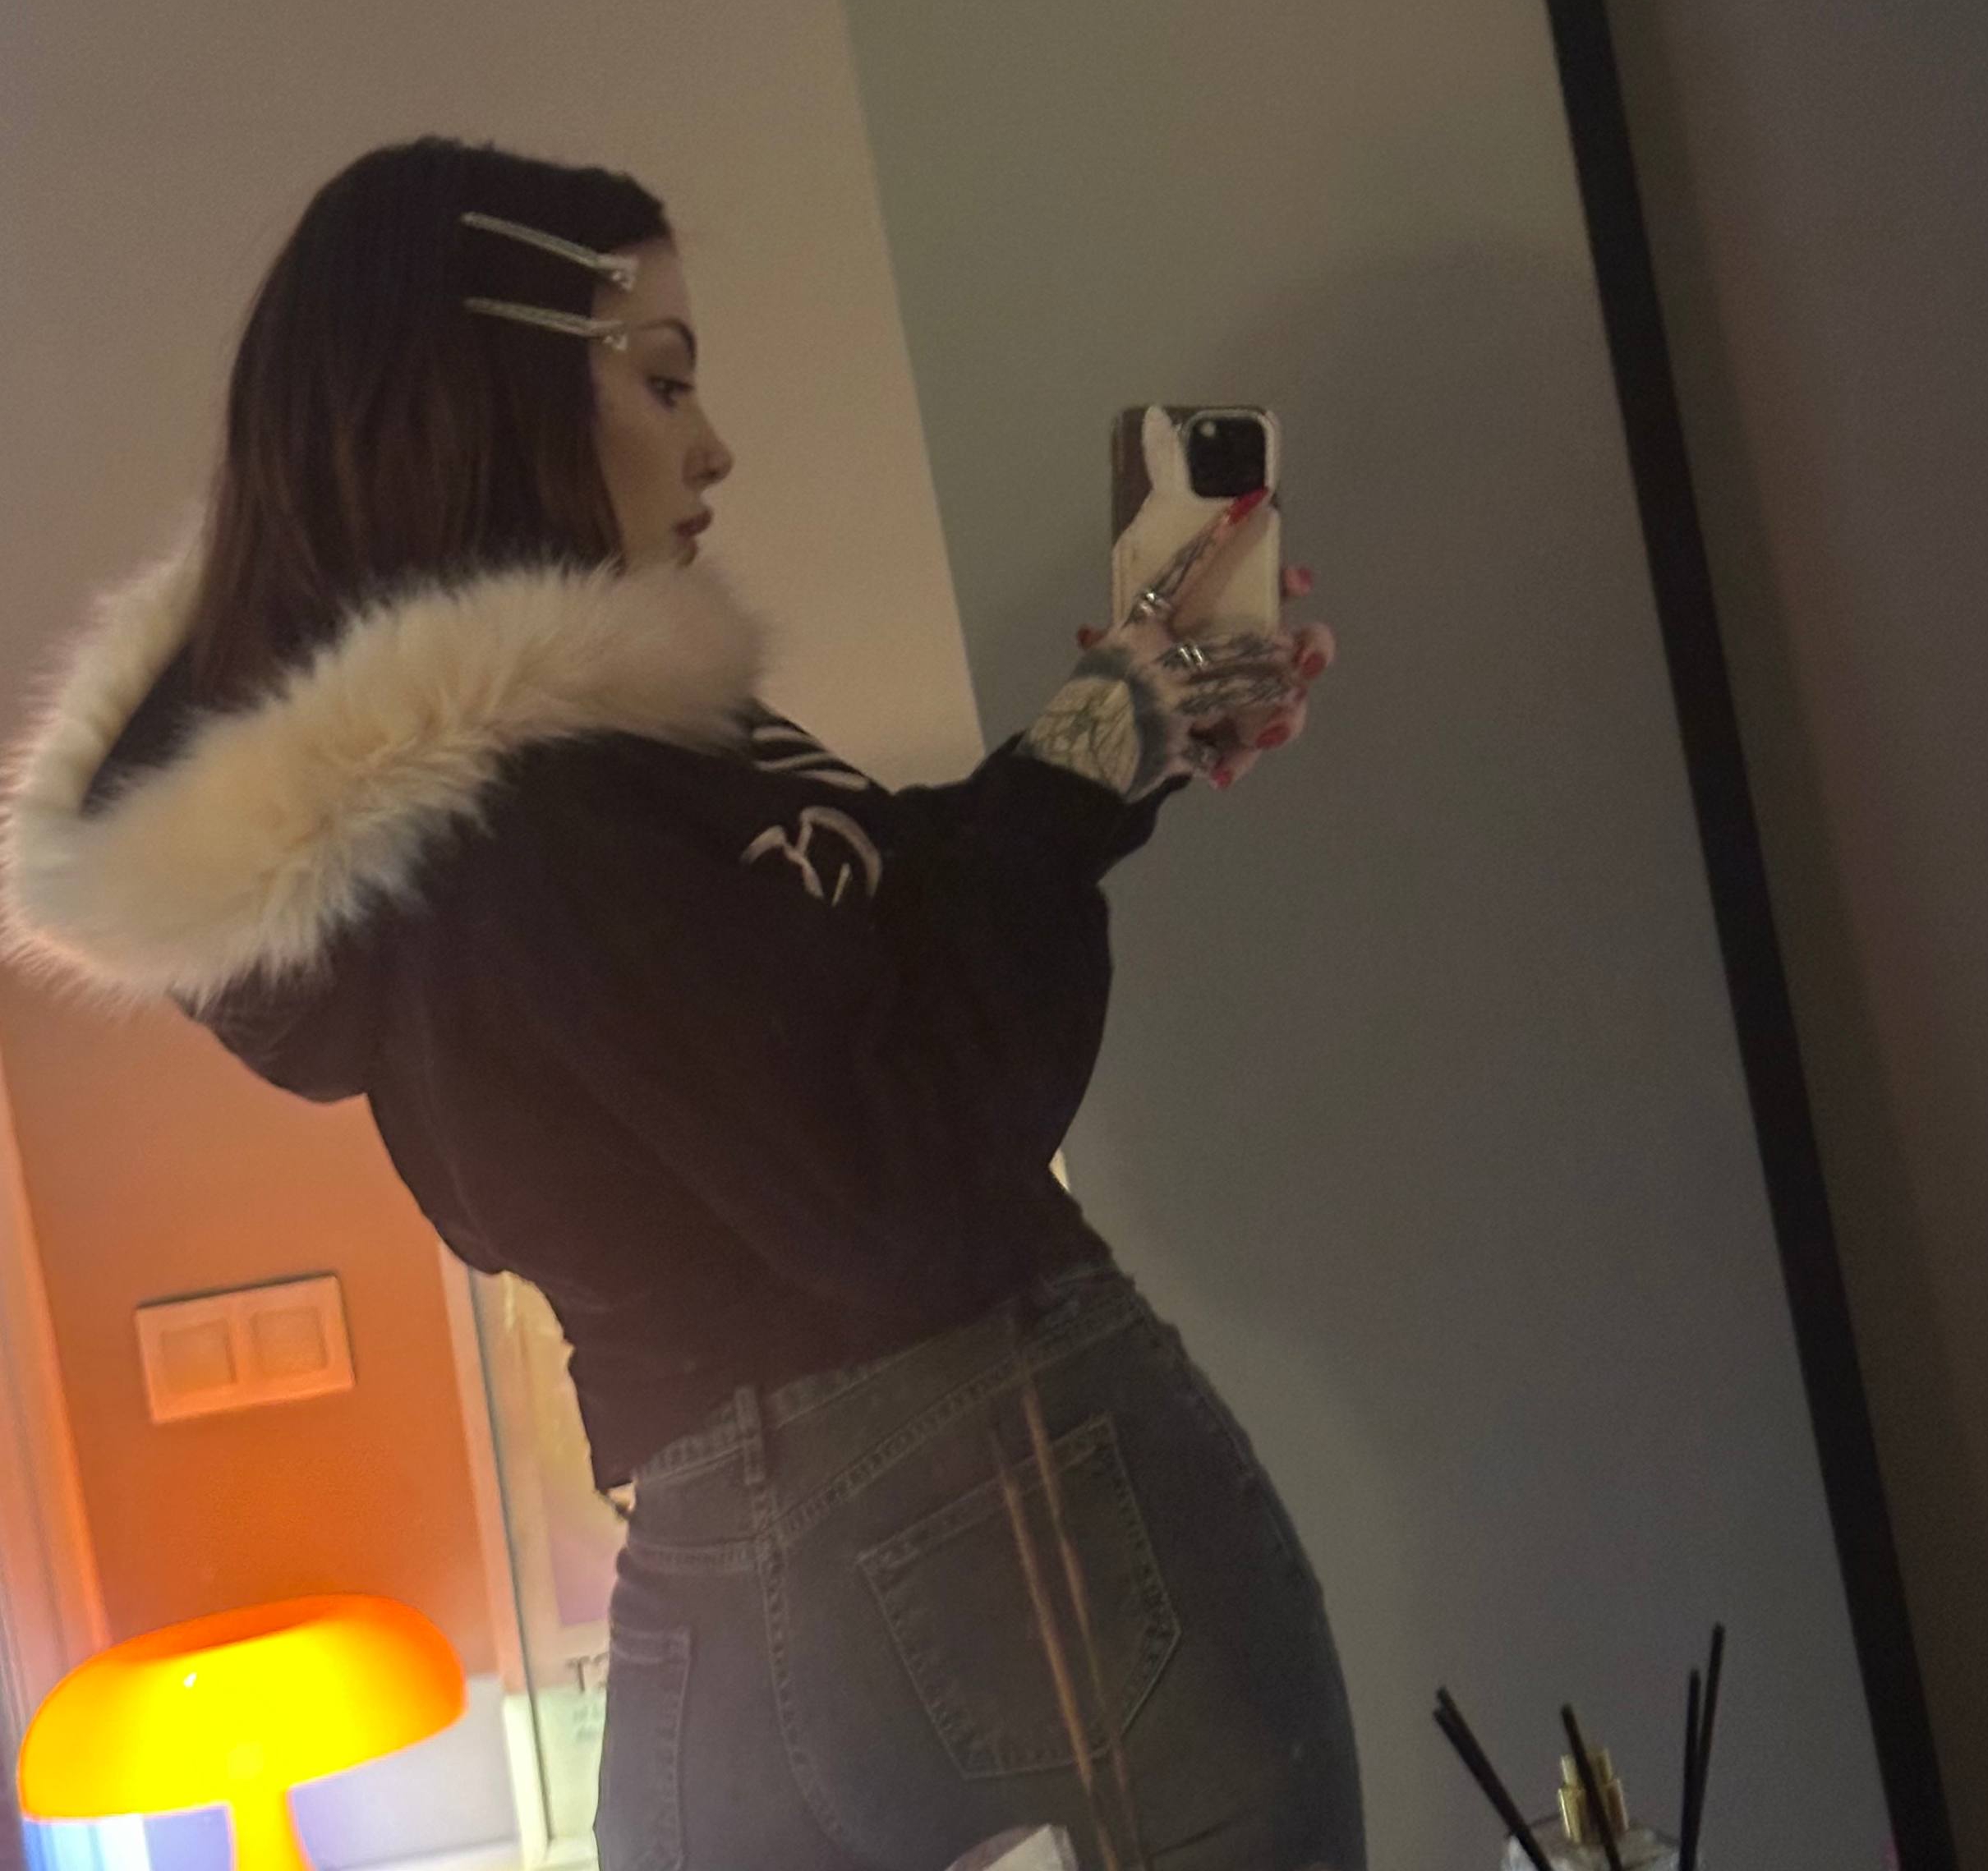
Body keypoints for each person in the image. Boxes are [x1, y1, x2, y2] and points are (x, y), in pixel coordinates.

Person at [2, 139, 1361, 1871]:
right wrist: (1076, 779)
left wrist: (1108, 745)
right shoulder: (533, 805)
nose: (712, 446)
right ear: (493, 391)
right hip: (1006, 1464)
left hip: (718, 1559)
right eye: (659, 378)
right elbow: (884, 1186)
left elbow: (837, 980)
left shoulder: (544, 783)